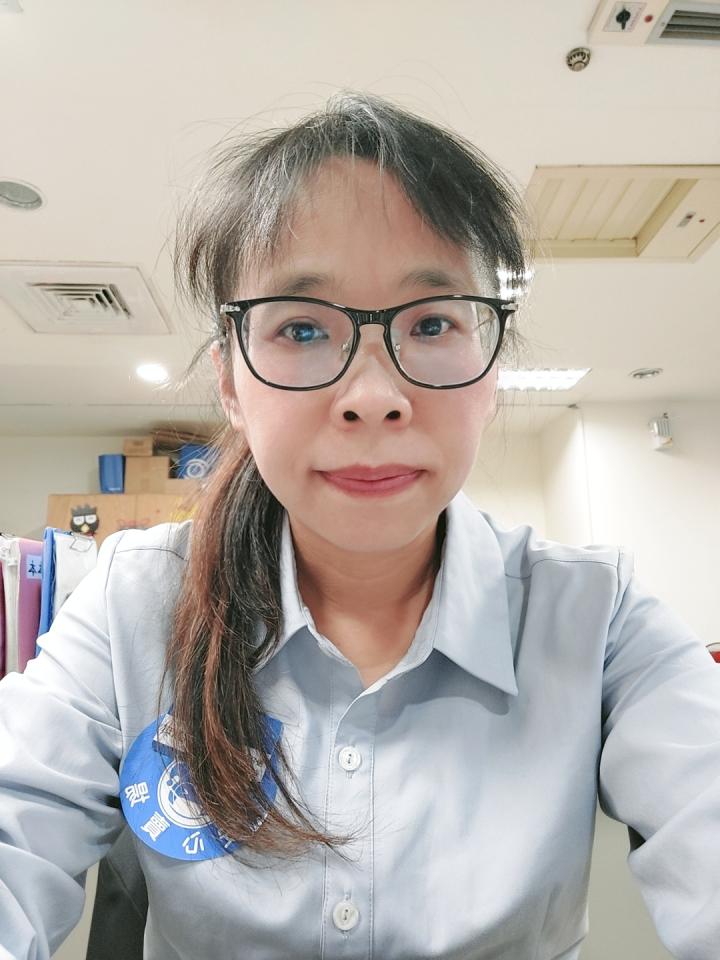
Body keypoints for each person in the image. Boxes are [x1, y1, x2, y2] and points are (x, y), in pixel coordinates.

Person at [1, 91, 718, 960]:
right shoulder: (137, 601)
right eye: (303, 328)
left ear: (491, 374)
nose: (374, 397)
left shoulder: (593, 617)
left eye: (432, 323)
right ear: (230, 382)